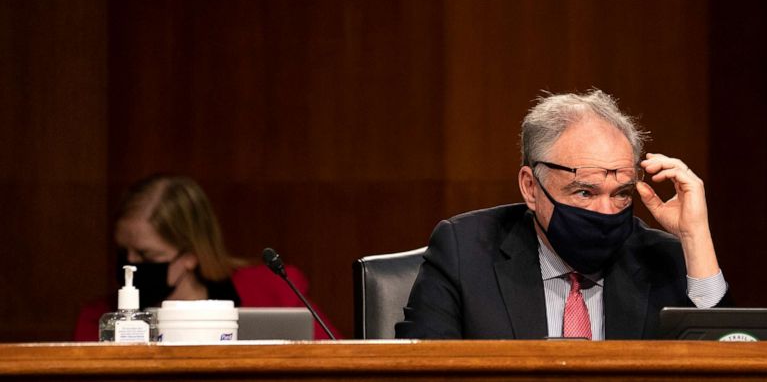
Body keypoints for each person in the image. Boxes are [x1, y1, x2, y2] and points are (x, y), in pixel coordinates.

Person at [396, 89, 730, 339]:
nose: (606, 211)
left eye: (622, 194)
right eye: (585, 192)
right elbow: (417, 375)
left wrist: (694, 237)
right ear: (531, 187)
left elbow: (728, 373)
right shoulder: (465, 253)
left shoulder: (661, 259)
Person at [74, 174, 339, 340]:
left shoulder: (272, 292)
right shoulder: (100, 318)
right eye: (123, 251)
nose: (130, 263)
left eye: (145, 254)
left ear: (190, 253)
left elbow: (337, 363)